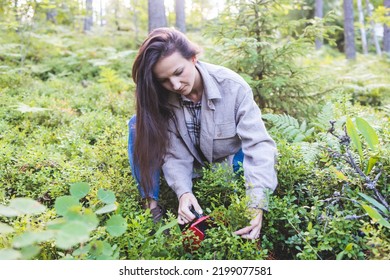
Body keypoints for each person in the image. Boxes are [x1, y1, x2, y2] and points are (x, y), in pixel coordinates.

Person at [128, 27, 277, 240]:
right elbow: (174, 153)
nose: (175, 85)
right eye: (164, 80)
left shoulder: (233, 87)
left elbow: (258, 145)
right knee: (138, 124)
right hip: (192, 168)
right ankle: (152, 208)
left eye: (179, 72)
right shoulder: (163, 98)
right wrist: (183, 192)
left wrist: (257, 203)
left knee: (254, 159)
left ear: (193, 58)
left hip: (228, 163)